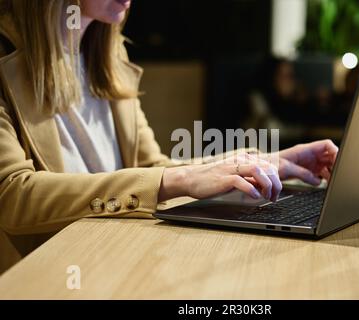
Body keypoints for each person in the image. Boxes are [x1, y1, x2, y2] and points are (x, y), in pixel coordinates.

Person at [0, 0, 338, 272]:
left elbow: (151, 167)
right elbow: (11, 197)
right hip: (47, 275)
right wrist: (180, 177)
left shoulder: (107, 54)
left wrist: (260, 162)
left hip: (114, 264)